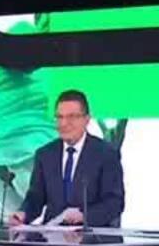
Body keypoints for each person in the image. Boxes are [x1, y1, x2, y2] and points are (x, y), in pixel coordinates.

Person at [8, 89, 124, 228]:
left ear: (86, 119)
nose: (63, 123)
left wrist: (84, 216)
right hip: (52, 236)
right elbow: (35, 197)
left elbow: (114, 202)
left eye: (71, 117)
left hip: (91, 236)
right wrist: (23, 214)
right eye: (59, 117)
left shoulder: (105, 154)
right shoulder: (45, 154)